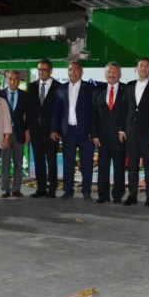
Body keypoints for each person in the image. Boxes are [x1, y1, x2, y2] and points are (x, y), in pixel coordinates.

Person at [52, 60, 96, 200]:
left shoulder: (90, 88)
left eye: (76, 69)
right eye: (70, 69)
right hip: (68, 132)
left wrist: (93, 131)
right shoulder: (61, 89)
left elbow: (94, 112)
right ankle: (68, 191)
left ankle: (86, 191)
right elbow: (56, 112)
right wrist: (54, 129)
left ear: (81, 72)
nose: (72, 72)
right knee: (68, 162)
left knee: (87, 162)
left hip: (85, 132)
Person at [124, 57, 149, 207]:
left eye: (147, 66)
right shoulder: (129, 86)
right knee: (132, 166)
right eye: (141, 65)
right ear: (137, 68)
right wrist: (122, 130)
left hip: (148, 134)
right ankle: (132, 195)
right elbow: (125, 110)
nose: (144, 68)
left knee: (148, 166)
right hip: (131, 132)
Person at [93, 62, 128, 204]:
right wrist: (94, 134)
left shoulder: (126, 89)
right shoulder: (98, 90)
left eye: (114, 72)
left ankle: (118, 195)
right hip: (102, 136)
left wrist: (123, 129)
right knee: (102, 167)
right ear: (105, 74)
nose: (111, 74)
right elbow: (93, 114)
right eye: (109, 72)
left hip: (119, 136)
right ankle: (103, 195)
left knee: (119, 167)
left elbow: (128, 112)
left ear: (120, 74)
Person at [26, 59, 60, 198]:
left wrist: (56, 130)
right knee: (39, 161)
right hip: (36, 131)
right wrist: (28, 130)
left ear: (51, 71)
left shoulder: (58, 87)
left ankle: (52, 189)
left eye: (45, 70)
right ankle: (41, 189)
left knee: (51, 161)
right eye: (40, 69)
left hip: (51, 132)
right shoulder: (32, 86)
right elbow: (29, 110)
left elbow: (60, 111)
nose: (42, 72)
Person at [0, 70, 29, 198]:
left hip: (19, 133)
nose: (12, 81)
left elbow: (28, 115)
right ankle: (5, 189)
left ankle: (16, 189)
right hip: (3, 134)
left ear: (19, 81)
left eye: (15, 79)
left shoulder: (25, 95)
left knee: (18, 163)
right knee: (5, 162)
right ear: (6, 79)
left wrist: (27, 131)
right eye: (10, 78)